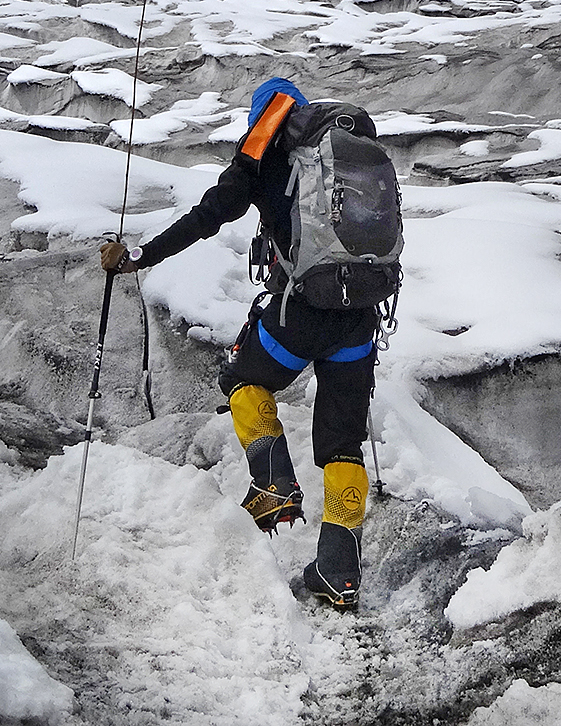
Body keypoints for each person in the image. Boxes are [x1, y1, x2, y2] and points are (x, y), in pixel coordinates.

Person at [101, 77, 382, 612]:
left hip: (298, 312)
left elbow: (207, 217)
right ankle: (339, 573)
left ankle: (273, 484)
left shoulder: (261, 155)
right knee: (343, 446)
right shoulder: (349, 152)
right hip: (360, 317)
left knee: (244, 381)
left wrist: (142, 256)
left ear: (263, 119)